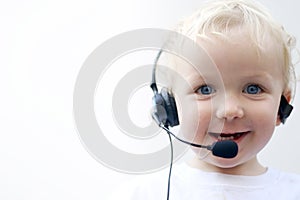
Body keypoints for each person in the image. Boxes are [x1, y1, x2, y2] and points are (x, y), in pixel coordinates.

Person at [108, 0, 300, 199]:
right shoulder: (140, 194)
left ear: (281, 107)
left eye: (253, 89)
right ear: (172, 106)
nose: (229, 110)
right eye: (205, 89)